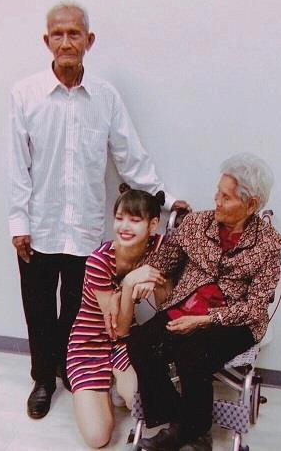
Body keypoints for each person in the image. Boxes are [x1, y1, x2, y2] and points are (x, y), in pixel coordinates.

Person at [8, 1, 189, 420]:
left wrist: (163, 197)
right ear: (47, 41)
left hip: (85, 228)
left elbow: (130, 155)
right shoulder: (25, 95)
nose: (66, 42)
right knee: (39, 307)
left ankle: (68, 367)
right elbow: (18, 165)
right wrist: (18, 222)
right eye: (58, 34)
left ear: (88, 41)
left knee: (76, 309)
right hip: (39, 225)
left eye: (74, 34)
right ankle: (42, 379)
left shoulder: (105, 97)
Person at [126, 153, 281, 451]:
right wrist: (148, 275)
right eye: (217, 192)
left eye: (226, 197)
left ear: (251, 205)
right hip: (187, 306)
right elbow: (165, 260)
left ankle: (186, 431)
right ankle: (187, 425)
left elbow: (255, 307)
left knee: (192, 354)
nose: (217, 201)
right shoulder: (197, 225)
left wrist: (205, 320)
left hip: (236, 321)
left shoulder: (267, 244)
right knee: (140, 344)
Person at [67, 187, 167, 448]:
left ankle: (115, 384)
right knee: (98, 438)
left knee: (138, 400)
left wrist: (157, 279)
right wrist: (131, 282)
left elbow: (165, 303)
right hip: (89, 342)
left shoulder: (158, 248)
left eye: (135, 220)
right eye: (120, 218)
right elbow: (116, 329)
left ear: (152, 225)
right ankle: (98, 390)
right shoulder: (98, 262)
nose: (124, 227)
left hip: (125, 343)